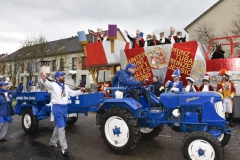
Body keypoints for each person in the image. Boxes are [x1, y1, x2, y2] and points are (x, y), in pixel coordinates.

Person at [40, 71, 85, 154]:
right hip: (57, 108)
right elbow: (47, 83)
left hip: (64, 108)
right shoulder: (53, 85)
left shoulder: (66, 87)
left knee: (59, 126)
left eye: (64, 76)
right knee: (61, 128)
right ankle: (64, 148)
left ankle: (52, 141)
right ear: (57, 78)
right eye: (62, 76)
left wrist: (80, 91)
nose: (63, 77)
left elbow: (72, 93)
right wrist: (44, 79)